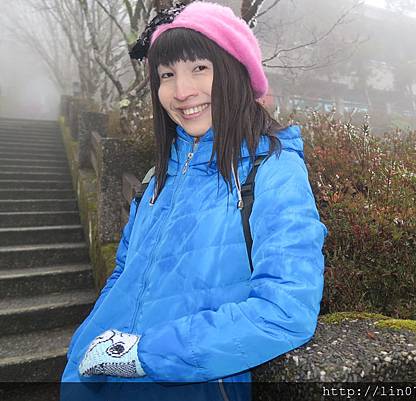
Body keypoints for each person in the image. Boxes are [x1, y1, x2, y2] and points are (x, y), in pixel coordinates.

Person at [60, 2, 327, 400]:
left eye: (199, 68)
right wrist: (88, 340)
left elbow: (286, 310)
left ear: (235, 72)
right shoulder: (158, 178)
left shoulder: (272, 170)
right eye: (167, 75)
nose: (182, 91)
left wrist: (141, 354)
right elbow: (123, 273)